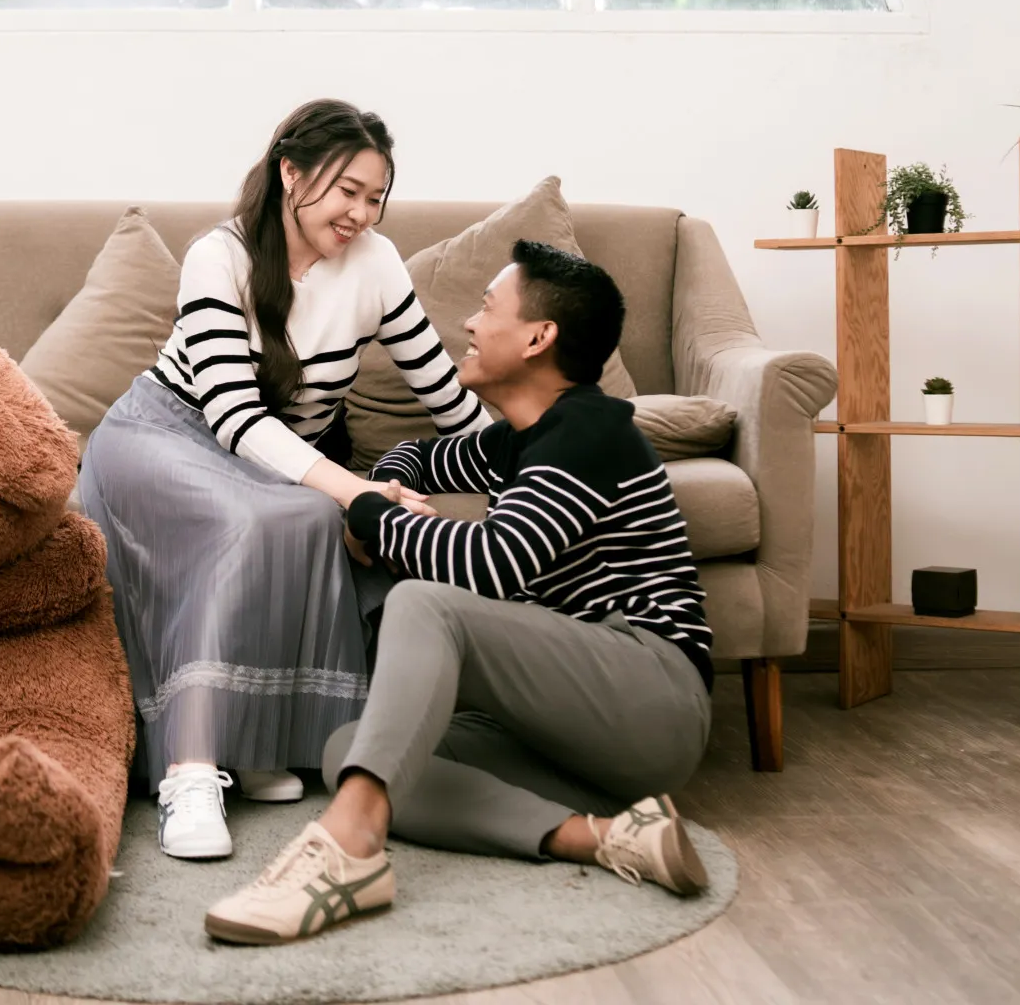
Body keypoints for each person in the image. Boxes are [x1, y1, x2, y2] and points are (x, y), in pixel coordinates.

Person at [202, 240, 712, 944]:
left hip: (652, 695)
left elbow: (490, 567)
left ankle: (346, 852)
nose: (470, 323)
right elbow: (414, 457)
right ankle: (604, 836)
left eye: (487, 307)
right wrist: (385, 492)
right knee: (352, 750)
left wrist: (370, 515)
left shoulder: (590, 431)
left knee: (424, 601)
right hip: (569, 736)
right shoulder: (514, 441)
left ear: (537, 337)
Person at [78, 99, 486, 862]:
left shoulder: (376, 264)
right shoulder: (220, 256)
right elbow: (234, 417)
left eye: (376, 197)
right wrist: (358, 492)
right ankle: (190, 770)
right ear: (290, 173)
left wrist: (541, 464)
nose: (362, 213)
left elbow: (447, 394)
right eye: (348, 191)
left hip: (264, 460)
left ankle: (251, 741)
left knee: (305, 517)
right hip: (163, 435)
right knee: (255, 520)